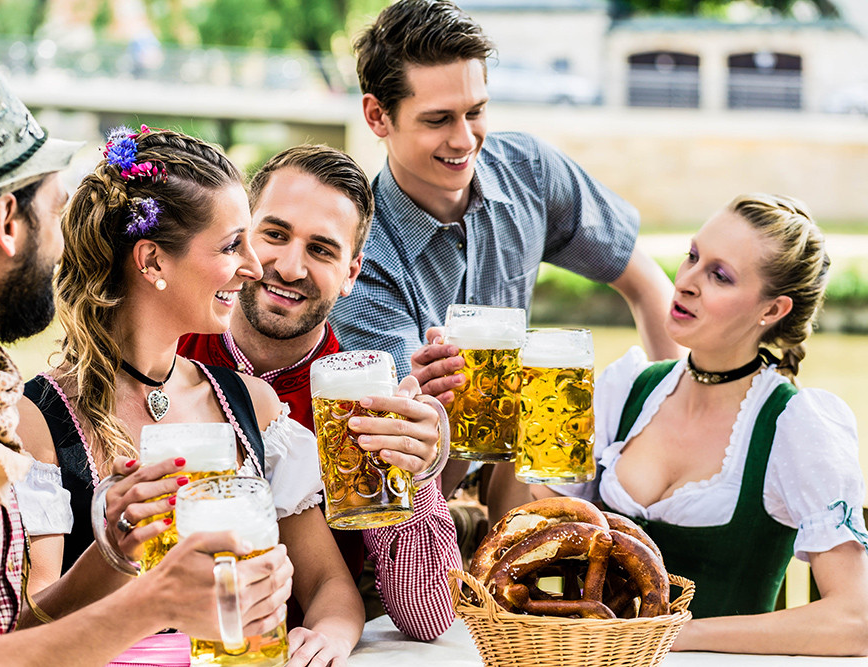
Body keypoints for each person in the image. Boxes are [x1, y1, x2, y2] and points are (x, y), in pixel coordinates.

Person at [0, 20, 291, 667]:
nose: (69, 243)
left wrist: (113, 557)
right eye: (54, 208)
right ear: (7, 220)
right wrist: (154, 600)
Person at [17, 128, 364, 666]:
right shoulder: (37, 419)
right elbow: (23, 632)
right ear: (152, 262)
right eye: (232, 246)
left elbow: (330, 588)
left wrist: (328, 637)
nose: (254, 266)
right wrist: (110, 554)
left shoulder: (251, 405)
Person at [328, 0, 683, 522]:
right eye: (438, 120)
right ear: (377, 116)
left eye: (475, 112)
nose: (464, 139)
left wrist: (668, 435)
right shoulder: (360, 260)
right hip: (416, 511)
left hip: (516, 484)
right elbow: (412, 463)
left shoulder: (530, 170)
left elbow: (647, 285)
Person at [538, 194, 868, 655]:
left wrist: (671, 636)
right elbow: (534, 530)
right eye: (693, 256)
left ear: (772, 311)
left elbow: (855, 620)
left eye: (720, 275)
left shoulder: (795, 426)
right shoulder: (626, 391)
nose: (687, 282)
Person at [178, 144, 461, 640]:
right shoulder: (166, 348)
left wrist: (418, 475)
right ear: (241, 236)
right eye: (275, 234)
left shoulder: (359, 402)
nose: (289, 267)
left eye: (321, 249)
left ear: (351, 273)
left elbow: (428, 618)